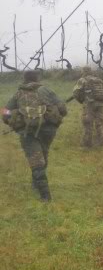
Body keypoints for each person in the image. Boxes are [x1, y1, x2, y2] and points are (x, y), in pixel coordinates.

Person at [2, 70, 68, 201]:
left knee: (36, 159)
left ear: (24, 79)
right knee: (42, 155)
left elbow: (5, 112)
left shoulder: (18, 93)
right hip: (49, 130)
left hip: (27, 131)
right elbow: (63, 109)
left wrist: (9, 120)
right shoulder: (47, 90)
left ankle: (45, 195)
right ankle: (36, 184)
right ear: (37, 79)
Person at [72, 66, 103, 147]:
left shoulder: (82, 80)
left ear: (84, 71)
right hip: (100, 104)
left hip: (89, 105)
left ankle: (87, 143)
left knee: (87, 123)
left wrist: (81, 101)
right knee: (100, 122)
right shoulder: (99, 80)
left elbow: (75, 93)